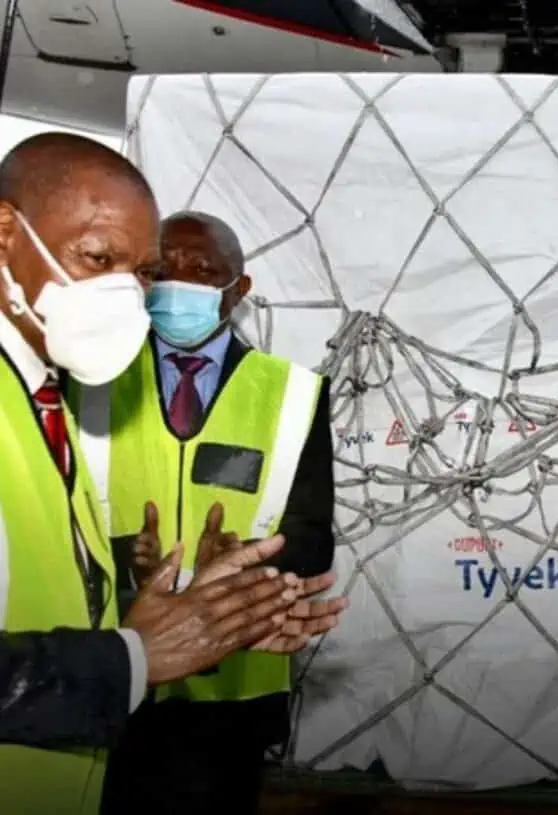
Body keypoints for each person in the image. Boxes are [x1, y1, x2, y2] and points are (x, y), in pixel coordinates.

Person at [0, 132, 346, 814]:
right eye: (97, 257)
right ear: (7, 233)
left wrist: (223, 601)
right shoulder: (86, 384)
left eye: (138, 272)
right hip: (112, 708)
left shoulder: (44, 391)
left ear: (237, 290)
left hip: (184, 706)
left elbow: (49, 585)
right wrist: (137, 651)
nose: (125, 292)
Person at [71, 211, 336, 814]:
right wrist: (129, 562)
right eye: (163, 270)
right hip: (114, 669)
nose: (179, 284)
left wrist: (243, 564)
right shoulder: (90, 382)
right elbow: (59, 519)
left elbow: (314, 538)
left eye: (202, 271)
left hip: (233, 690)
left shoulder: (296, 394)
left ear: (238, 290)